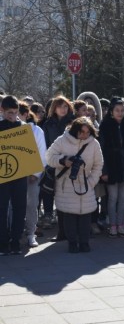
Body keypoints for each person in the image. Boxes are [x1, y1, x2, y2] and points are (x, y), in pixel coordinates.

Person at [46, 117, 103, 253]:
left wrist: (91, 181)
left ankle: (84, 242)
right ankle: (72, 242)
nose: (85, 135)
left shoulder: (94, 144)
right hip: (66, 183)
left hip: (85, 182)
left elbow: (98, 165)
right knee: (69, 214)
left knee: (85, 214)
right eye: (82, 132)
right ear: (75, 130)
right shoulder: (62, 140)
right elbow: (49, 157)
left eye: (87, 132)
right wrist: (63, 160)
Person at [99, 97, 124, 238]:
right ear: (111, 111)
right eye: (117, 110)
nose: (120, 113)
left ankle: (121, 224)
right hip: (111, 164)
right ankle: (113, 225)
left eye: (122, 110)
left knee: (123, 197)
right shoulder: (105, 126)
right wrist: (104, 170)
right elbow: (101, 149)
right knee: (112, 197)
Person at [41, 96, 75, 236]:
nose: (63, 109)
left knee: (65, 192)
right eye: (60, 106)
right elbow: (45, 143)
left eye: (66, 106)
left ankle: (66, 219)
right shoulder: (48, 124)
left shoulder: (73, 123)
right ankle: (48, 214)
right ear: (54, 108)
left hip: (69, 162)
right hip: (52, 161)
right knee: (48, 189)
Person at [0, 96, 29, 255]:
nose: (13, 116)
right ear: (2, 111)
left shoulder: (22, 127)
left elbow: (28, 152)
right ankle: (2, 242)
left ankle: (16, 240)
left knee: (20, 207)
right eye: (9, 113)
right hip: (2, 174)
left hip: (20, 173)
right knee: (1, 208)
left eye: (15, 113)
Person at [18, 102, 47, 248]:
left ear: (25, 114)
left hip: (31, 177)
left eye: (19, 114)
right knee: (13, 206)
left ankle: (30, 234)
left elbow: (42, 154)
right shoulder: (6, 128)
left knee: (31, 204)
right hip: (12, 176)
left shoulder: (37, 131)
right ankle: (14, 235)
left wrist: (35, 173)